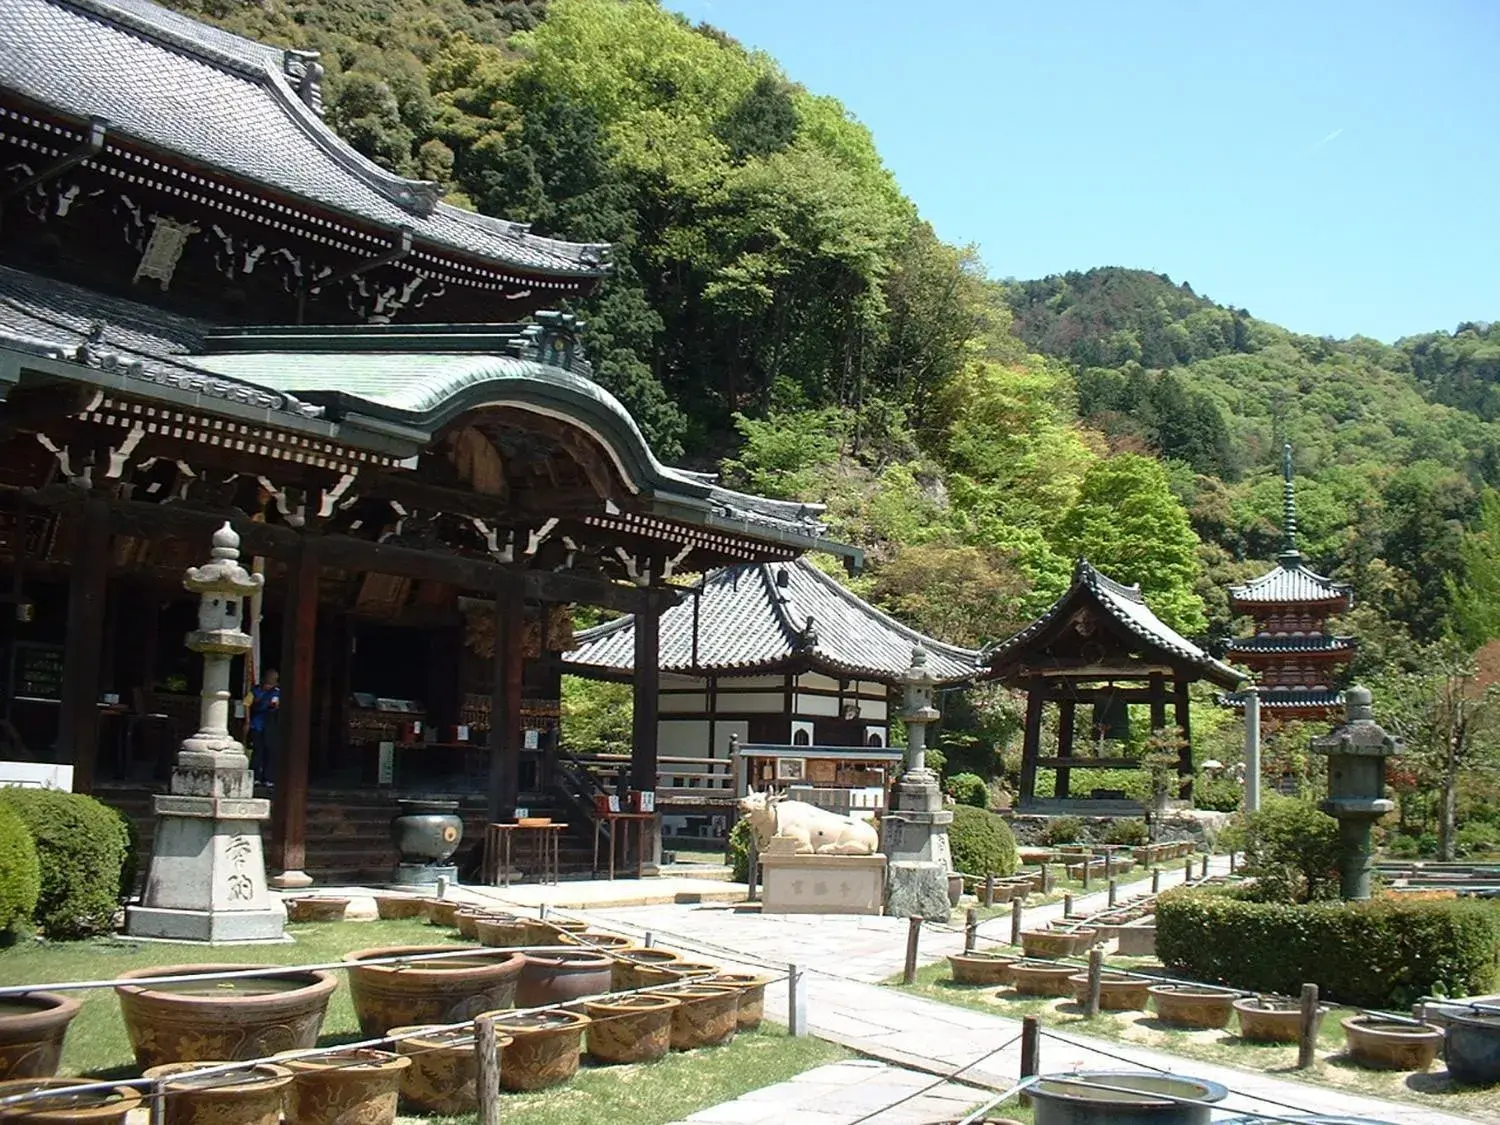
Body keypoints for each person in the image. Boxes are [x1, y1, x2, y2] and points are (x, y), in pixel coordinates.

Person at [249, 668, 280, 787]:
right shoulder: (255, 691)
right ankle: (255, 777)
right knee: (257, 751)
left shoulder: (277, 692)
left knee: (271, 751)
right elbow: (248, 704)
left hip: (271, 725)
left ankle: (269, 778)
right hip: (257, 724)